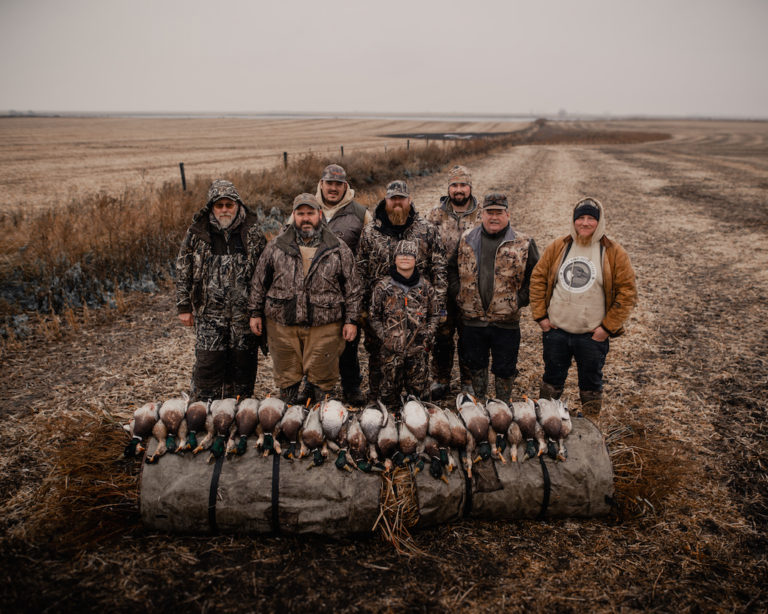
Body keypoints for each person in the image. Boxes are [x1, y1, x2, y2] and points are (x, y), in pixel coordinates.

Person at [248, 193, 362, 403]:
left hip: (325, 324)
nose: (306, 218)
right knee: (286, 376)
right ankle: (288, 419)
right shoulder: (276, 246)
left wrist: (351, 320)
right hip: (282, 323)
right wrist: (255, 313)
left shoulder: (337, 247)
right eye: (301, 213)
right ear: (293, 216)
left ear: (320, 214)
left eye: (310, 213)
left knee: (323, 377)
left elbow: (353, 287)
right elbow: (259, 282)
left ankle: (321, 419)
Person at [529, 197, 637, 417]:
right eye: (580, 218)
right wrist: (541, 317)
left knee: (590, 382)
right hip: (556, 331)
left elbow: (627, 293)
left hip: (591, 336)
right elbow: (538, 279)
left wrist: (606, 328)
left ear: (600, 222)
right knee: (552, 379)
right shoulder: (560, 246)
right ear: (573, 220)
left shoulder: (613, 251)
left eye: (591, 219)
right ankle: (546, 420)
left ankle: (590, 423)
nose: (585, 223)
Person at [175, 179, 266, 401]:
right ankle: (204, 408)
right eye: (219, 205)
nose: (224, 209)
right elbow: (182, 269)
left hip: (244, 314)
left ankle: (240, 409)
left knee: (243, 362)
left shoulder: (252, 232)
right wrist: (184, 305)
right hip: (209, 314)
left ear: (238, 205)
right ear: (211, 207)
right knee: (208, 362)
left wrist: (259, 311)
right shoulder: (197, 233)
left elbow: (264, 273)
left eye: (229, 204)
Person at [357, 180, 447, 401]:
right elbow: (360, 270)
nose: (397, 203)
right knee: (378, 353)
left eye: (401, 198)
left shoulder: (426, 230)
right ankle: (379, 400)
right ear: (386, 200)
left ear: (409, 200)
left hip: (417, 309)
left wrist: (438, 306)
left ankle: (417, 399)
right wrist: (362, 308)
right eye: (392, 198)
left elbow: (439, 269)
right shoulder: (370, 232)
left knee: (418, 355)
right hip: (381, 310)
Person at [291, 164, 372, 405]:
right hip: (312, 290)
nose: (333, 188)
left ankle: (351, 386)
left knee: (348, 341)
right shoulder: (305, 209)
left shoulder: (360, 213)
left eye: (338, 184)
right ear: (321, 184)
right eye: (329, 183)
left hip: (348, 289)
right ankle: (312, 384)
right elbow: (288, 245)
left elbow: (370, 249)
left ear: (345, 185)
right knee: (313, 341)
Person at [448, 192, 539, 401]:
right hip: (473, 320)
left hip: (506, 321)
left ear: (508, 214)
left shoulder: (523, 242)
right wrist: (459, 293)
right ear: (482, 214)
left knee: (505, 368)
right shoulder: (466, 239)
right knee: (476, 364)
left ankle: (502, 405)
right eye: (490, 212)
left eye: (499, 212)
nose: (494, 217)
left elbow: (537, 276)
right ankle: (480, 404)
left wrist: (519, 300)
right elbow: (451, 268)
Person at [426, 165, 482, 400]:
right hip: (441, 288)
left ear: (470, 187)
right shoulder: (434, 215)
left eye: (463, 185)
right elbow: (425, 248)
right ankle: (441, 380)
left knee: (470, 335)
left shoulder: (482, 215)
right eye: (454, 185)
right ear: (448, 188)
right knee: (442, 335)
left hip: (473, 288)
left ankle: (468, 382)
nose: (459, 190)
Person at [369, 240, 438, 408]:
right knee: (388, 396)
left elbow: (435, 314)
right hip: (391, 352)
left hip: (418, 351)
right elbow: (373, 316)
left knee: (419, 398)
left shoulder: (426, 287)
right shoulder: (383, 287)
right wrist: (385, 336)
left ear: (416, 259)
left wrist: (428, 334)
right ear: (394, 259)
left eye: (410, 255)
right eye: (401, 254)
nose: (405, 258)